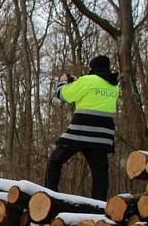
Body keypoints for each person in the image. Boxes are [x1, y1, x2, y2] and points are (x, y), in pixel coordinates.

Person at [45, 54, 120, 201]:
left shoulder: (88, 80)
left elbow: (63, 95)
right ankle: (99, 206)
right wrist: (78, 82)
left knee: (55, 160)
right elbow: (93, 93)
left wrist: (63, 82)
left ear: (93, 68)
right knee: (100, 173)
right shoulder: (114, 84)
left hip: (81, 130)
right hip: (103, 135)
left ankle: (49, 196)